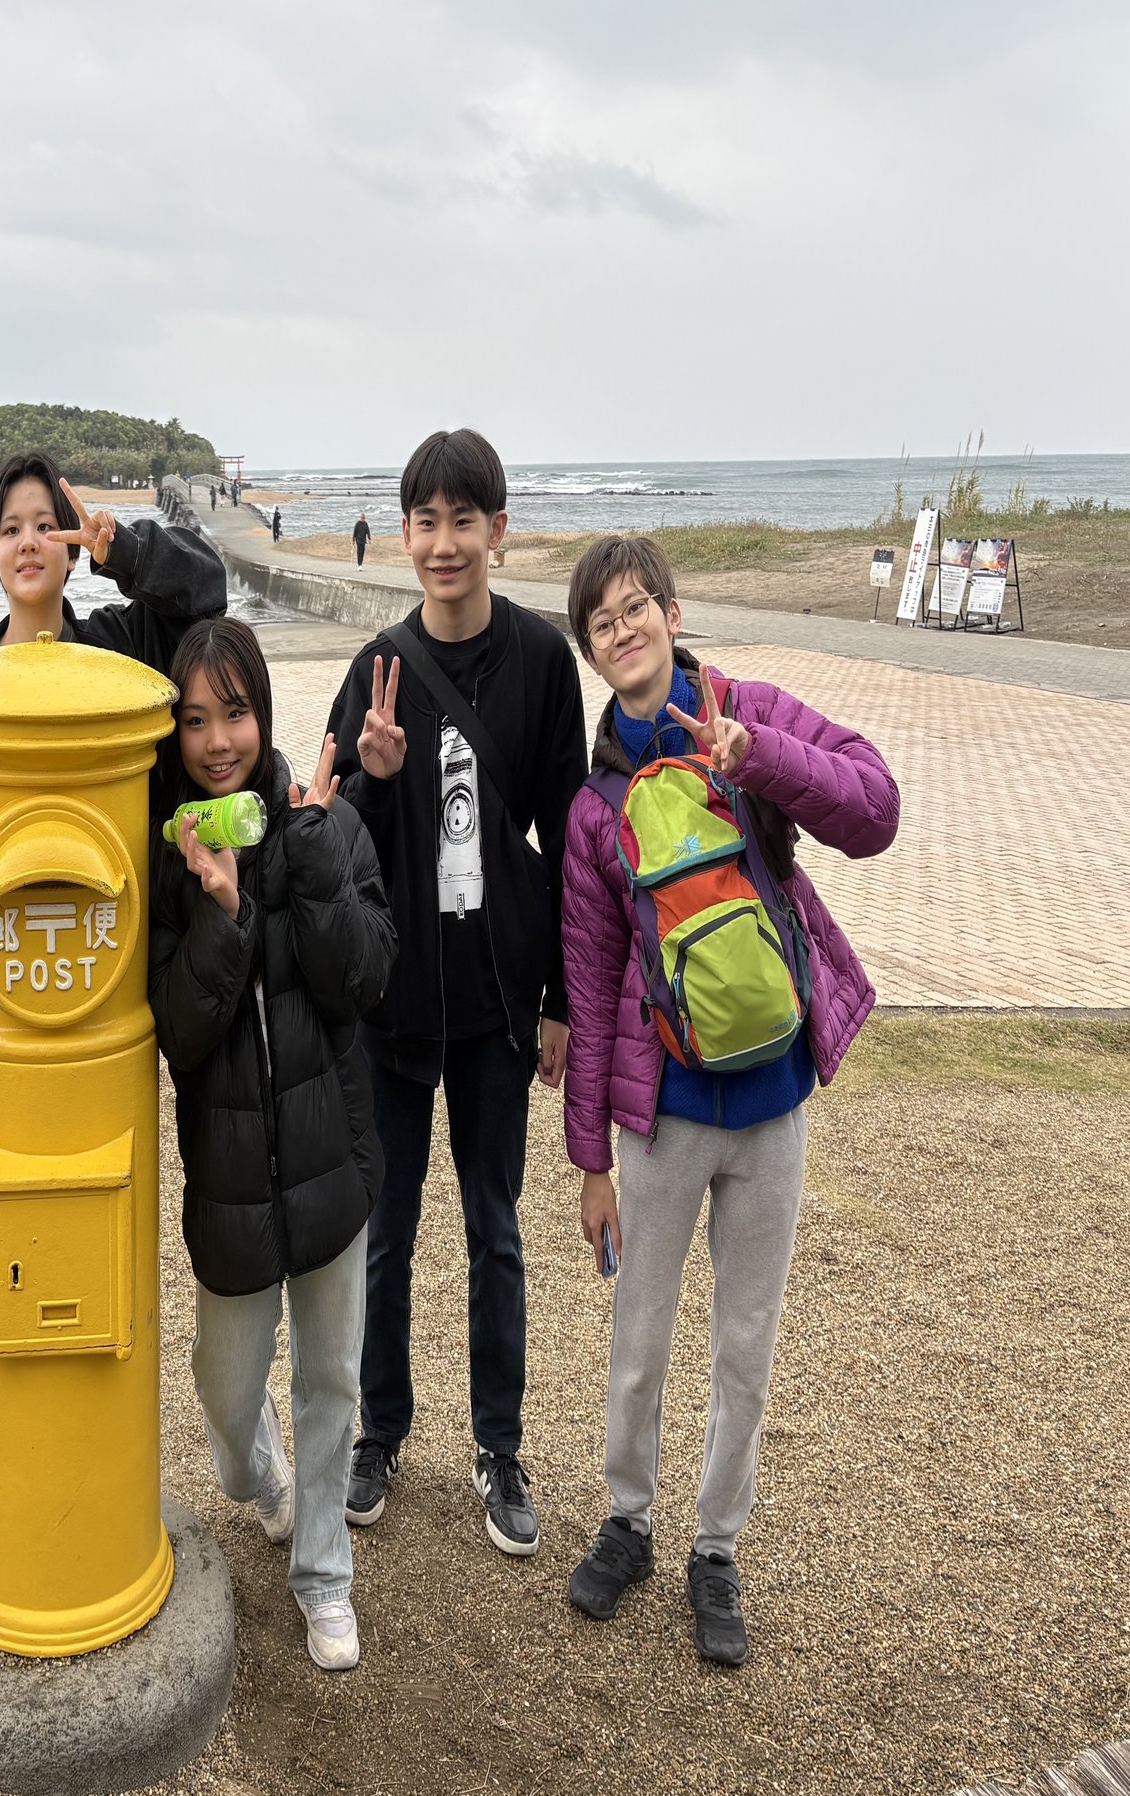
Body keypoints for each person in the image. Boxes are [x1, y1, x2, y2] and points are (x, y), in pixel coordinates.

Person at [559, 533, 897, 1665]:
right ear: (591, 649)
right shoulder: (595, 807)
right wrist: (591, 1162)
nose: (624, 629)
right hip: (662, 1114)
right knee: (639, 1335)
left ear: (671, 609)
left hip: (774, 1100)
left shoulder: (746, 711)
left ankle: (716, 1546)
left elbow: (874, 809)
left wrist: (761, 760)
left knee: (746, 1340)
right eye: (602, 620)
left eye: (636, 606)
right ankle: (627, 1520)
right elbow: (590, 982)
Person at [323, 429, 586, 1550]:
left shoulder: (539, 661)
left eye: (461, 520)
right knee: (384, 1233)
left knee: (495, 1229)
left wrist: (561, 999)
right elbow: (331, 844)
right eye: (424, 521)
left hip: (496, 1001)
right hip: (392, 1002)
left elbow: (572, 842)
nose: (443, 543)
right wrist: (377, 780)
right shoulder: (375, 670)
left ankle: (497, 1444)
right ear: (402, 534)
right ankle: (379, 1430)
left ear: (497, 530)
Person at [148, 619, 395, 1671]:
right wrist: (221, 910)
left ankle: (325, 1573)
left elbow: (365, 976)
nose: (217, 741)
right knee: (225, 1386)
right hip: (231, 1182)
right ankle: (259, 1477)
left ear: (264, 713)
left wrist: (314, 852)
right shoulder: (167, 858)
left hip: (332, 1161)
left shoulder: (322, 823)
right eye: (195, 720)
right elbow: (179, 1031)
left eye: (235, 713)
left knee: (331, 1382)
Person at [0, 448, 226, 1006]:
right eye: (11, 530)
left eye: (45, 526)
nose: (29, 542)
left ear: (74, 554)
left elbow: (206, 596)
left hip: (102, 955)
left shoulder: (119, 650)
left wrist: (125, 553)